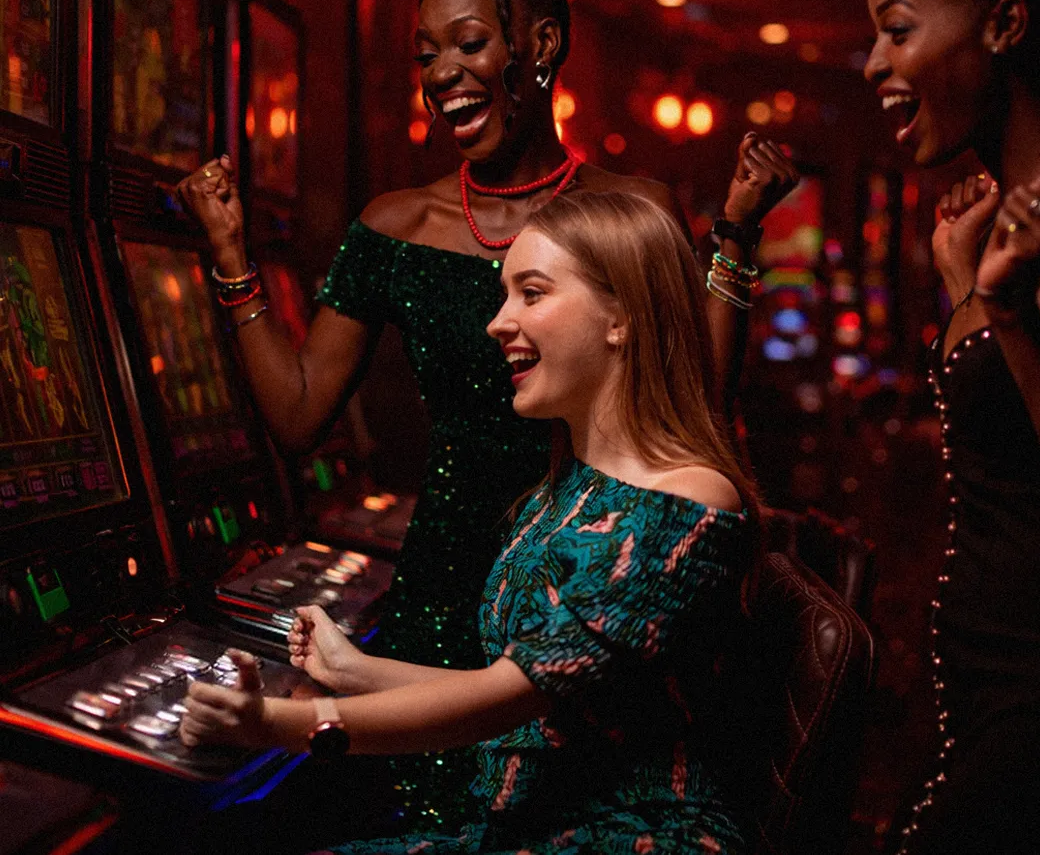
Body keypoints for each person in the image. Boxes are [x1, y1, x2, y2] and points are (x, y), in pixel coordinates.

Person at [178, 0, 794, 825]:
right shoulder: (396, 224)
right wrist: (231, 262)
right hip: (450, 578)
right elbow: (298, 415)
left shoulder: (624, 220)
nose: (442, 74)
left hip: (587, 555)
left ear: (537, 48)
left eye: (469, 44)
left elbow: (690, 406)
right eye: (426, 54)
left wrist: (735, 242)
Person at [179, 190, 760, 855]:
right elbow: (536, 692)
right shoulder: (567, 487)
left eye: (531, 294)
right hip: (537, 828)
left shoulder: (688, 500)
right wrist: (354, 670)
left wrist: (279, 722)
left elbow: (502, 700)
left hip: (630, 838)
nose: (497, 322)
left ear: (621, 317)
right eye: (504, 293)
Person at [864, 0, 1040, 855]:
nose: (875, 65)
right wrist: (965, 285)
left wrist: (1014, 314)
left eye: (897, 31)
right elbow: (1000, 458)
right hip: (977, 694)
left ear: (1005, 25)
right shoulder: (1004, 226)